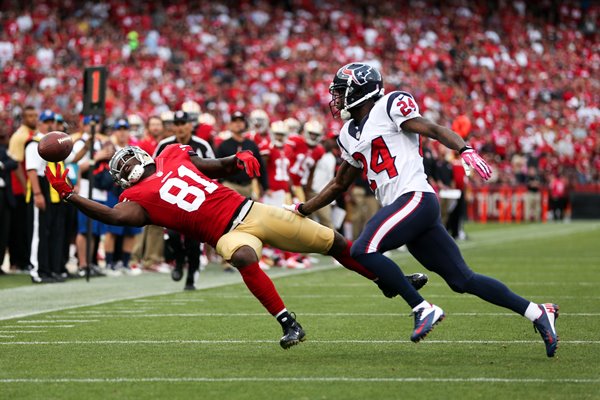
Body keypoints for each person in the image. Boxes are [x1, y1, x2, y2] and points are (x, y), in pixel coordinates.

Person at [285, 62, 559, 357]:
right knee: (462, 280)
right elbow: (339, 184)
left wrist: (464, 149)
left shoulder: (389, 104)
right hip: (405, 208)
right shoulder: (347, 134)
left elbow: (432, 128)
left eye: (341, 91)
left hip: (415, 196)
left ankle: (421, 307)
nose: (336, 99)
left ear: (360, 91)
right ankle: (537, 312)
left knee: (362, 250)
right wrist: (303, 208)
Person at [45, 144, 427, 349]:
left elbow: (215, 167)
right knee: (244, 257)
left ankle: (384, 280)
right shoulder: (136, 198)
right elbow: (113, 218)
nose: (128, 166)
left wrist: (238, 158)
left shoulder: (173, 155)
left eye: (128, 159)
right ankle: (288, 322)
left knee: (335, 241)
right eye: (123, 164)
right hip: (226, 233)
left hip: (253, 210)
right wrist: (72, 197)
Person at [154, 110, 215, 289]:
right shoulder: (164, 144)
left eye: (183, 124)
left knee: (193, 241)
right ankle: (179, 260)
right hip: (172, 198)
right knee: (172, 235)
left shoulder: (202, 145)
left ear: (190, 125)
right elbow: (154, 168)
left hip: (196, 198)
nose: (180, 128)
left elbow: (213, 170)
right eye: (177, 124)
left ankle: (191, 278)